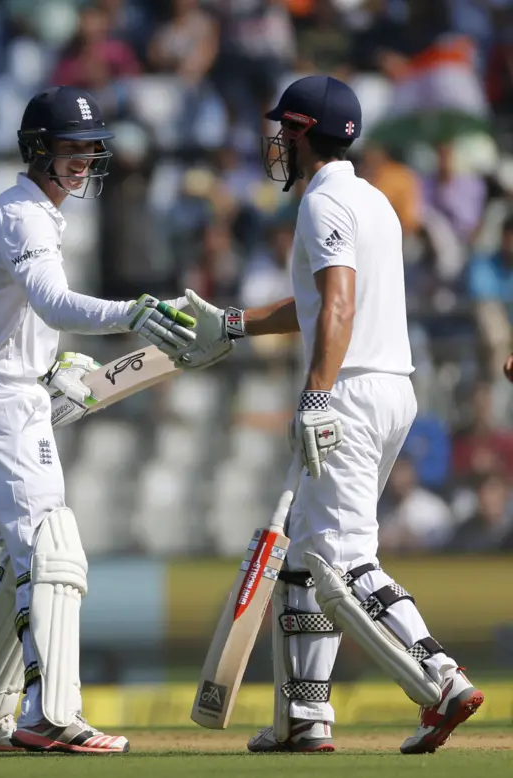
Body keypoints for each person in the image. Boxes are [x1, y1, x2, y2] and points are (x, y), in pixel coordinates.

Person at [175, 75, 484, 755]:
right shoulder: (369, 200)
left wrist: (316, 395)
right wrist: (231, 323)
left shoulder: (325, 205)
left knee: (341, 560)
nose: (278, 140)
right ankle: (303, 718)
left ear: (308, 130)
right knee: (303, 561)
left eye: (286, 128)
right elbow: (315, 306)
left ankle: (441, 680)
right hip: (386, 387)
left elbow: (338, 307)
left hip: (347, 392)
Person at [0, 86, 194, 755]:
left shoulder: (36, 213)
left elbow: (24, 318)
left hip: (10, 389)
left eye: (90, 147)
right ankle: (50, 715)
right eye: (71, 146)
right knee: (51, 548)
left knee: (27, 553)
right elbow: (54, 302)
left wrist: (48, 366)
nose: (84, 158)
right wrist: (132, 313)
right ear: (37, 149)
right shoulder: (23, 216)